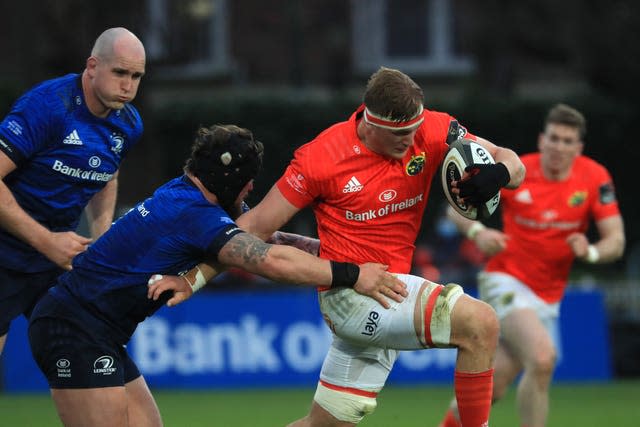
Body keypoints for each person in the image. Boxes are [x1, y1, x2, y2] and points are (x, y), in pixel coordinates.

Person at [150, 67, 526, 427]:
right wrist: (192, 279)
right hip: (350, 295)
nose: (411, 141)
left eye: (415, 130)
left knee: (324, 425)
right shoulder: (321, 158)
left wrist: (499, 173)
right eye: (400, 134)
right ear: (370, 121)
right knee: (481, 323)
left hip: (388, 287)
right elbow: (255, 229)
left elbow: (510, 160)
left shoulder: (433, 129)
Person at [27, 124, 406, 427]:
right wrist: (351, 274)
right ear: (228, 182)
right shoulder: (195, 216)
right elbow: (268, 260)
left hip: (98, 333)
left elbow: (264, 235)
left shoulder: (186, 196)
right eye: (248, 180)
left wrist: (336, 250)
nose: (252, 188)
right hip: (73, 329)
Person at [438, 103, 625, 427]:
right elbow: (454, 209)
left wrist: (591, 252)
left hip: (547, 296)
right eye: (553, 138)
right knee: (542, 357)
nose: (559, 146)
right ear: (542, 140)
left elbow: (616, 241)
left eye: (568, 141)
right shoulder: (518, 171)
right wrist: (479, 231)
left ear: (578, 148)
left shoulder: (594, 177)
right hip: (505, 280)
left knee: (489, 391)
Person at [0, 27, 146, 356]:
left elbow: (106, 174)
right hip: (7, 254)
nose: (128, 86)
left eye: (136, 76)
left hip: (56, 263)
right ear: (92, 66)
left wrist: (102, 232)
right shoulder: (48, 107)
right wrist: (46, 240)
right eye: (120, 72)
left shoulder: (128, 124)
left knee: (96, 360)